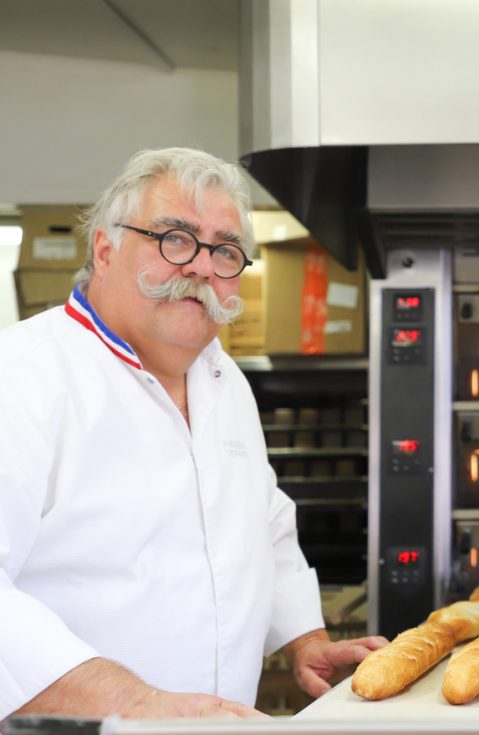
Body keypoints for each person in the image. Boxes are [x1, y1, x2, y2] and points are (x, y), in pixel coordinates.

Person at [0, 148, 387, 720]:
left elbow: (264, 522)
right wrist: (135, 702)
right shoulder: (24, 376)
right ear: (103, 250)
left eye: (226, 250)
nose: (203, 266)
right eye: (175, 238)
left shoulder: (220, 376)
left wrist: (304, 638)